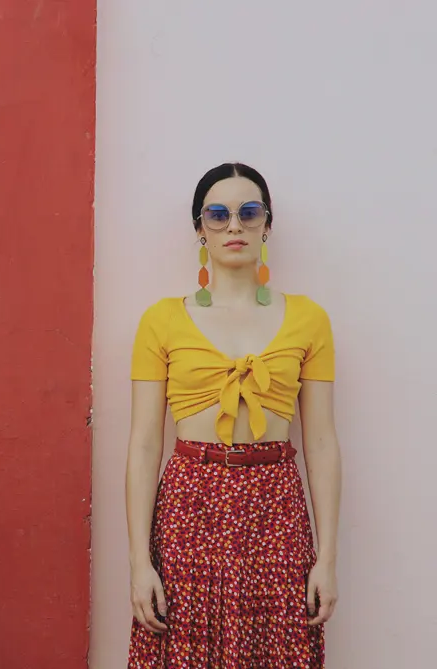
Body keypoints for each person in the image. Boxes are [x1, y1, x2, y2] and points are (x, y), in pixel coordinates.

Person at [125, 163, 341, 668]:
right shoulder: (161, 320)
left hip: (276, 510)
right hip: (188, 509)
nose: (234, 226)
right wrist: (139, 563)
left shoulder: (310, 318)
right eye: (218, 214)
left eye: (249, 212)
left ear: (268, 224)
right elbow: (144, 444)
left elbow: (322, 442)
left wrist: (327, 558)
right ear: (199, 228)